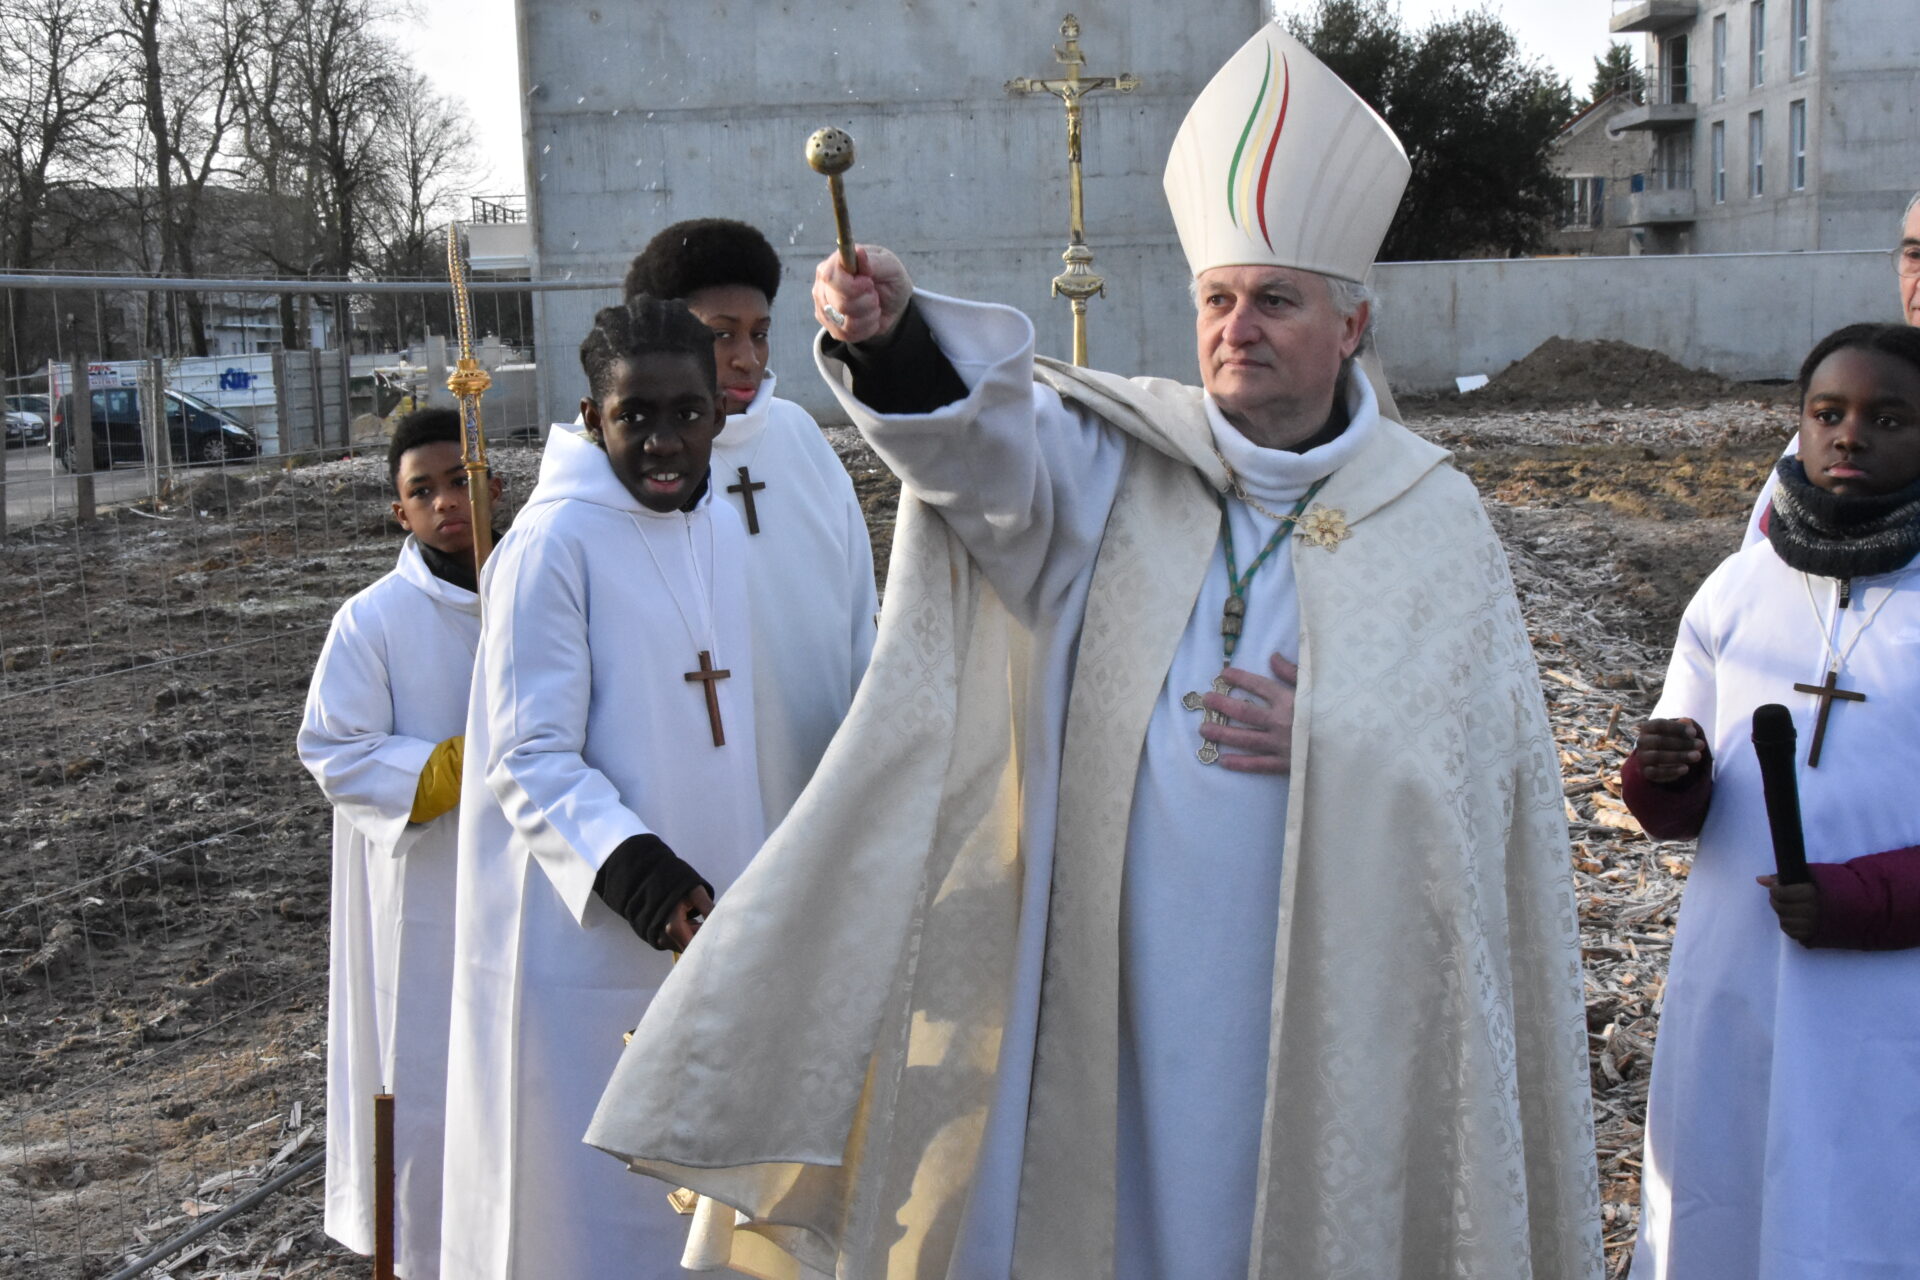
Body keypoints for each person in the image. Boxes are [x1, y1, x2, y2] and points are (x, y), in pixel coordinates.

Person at [588, 25, 1601, 1280]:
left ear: (1352, 321)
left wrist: (1338, 733)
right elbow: (983, 467)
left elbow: (1485, 783)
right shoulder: (1127, 455)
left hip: (1331, 991)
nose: (1239, 328)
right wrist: (894, 340)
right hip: (1118, 993)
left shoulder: (1430, 513)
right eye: (1218, 300)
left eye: (1276, 300)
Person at [438, 297, 765, 1280]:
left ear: (718, 413)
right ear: (592, 416)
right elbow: (527, 753)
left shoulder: (711, 526)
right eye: (636, 417)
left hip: (713, 918)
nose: (664, 441)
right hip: (596, 929)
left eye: (688, 414)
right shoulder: (552, 543)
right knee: (591, 1214)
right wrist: (651, 884)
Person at [1623, 322, 1920, 1279]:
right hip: (1739, 971)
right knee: (1729, 1189)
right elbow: (1686, 787)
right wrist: (1667, 776)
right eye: (1827, 414)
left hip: (1886, 995)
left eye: (1889, 418)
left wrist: (1863, 902)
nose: (1850, 436)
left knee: (1866, 1199)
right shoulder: (1736, 588)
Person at [297, 408, 501, 1279]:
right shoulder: (371, 622)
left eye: (462, 479)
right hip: (431, 884)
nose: (448, 502)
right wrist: (462, 767)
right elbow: (334, 749)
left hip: (536, 880)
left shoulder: (545, 586)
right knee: (434, 1080)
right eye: (424, 491)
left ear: (492, 482)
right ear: (400, 514)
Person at [624, 218, 877, 825]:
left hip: (822, 762)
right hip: (693, 781)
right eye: (721, 335)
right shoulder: (639, 463)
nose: (747, 358)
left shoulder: (800, 439)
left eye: (759, 334)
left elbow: (858, 602)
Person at [1742, 189, 1920, 545]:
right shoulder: (1842, 421)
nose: (1850, 439)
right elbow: (1764, 566)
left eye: (1888, 422)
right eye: (1915, 255)